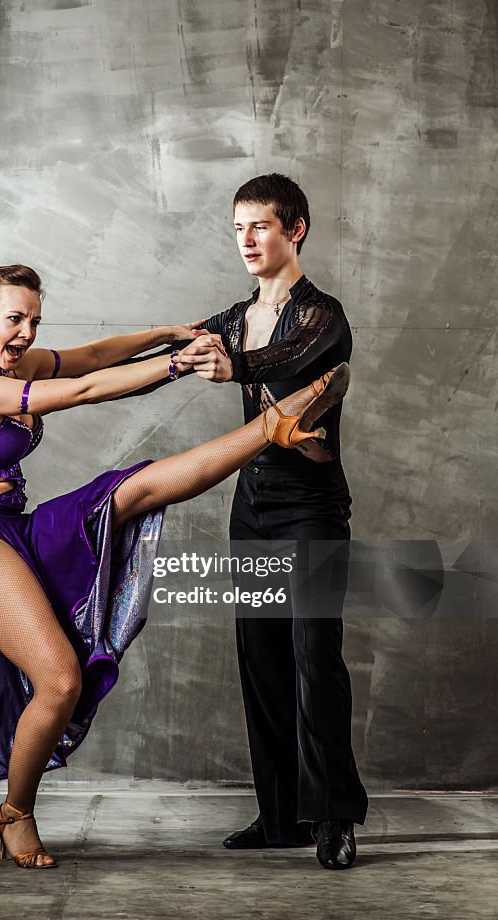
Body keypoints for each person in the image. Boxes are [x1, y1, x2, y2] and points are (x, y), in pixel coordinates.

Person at [0, 263, 350, 871]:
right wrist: (177, 365)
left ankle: (273, 427)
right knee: (61, 681)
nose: (23, 333)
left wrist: (164, 335)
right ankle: (15, 813)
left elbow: (92, 357)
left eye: (33, 321)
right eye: (13, 318)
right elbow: (82, 390)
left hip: (15, 524)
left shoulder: (19, 363)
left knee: (134, 490)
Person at [181, 174, 368, 870]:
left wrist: (234, 366)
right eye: (237, 229)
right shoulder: (231, 318)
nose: (247, 241)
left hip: (312, 508)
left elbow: (290, 360)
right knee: (260, 658)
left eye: (259, 226)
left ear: (296, 230)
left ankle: (335, 815)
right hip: (252, 508)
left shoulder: (324, 316)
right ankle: (281, 815)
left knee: (313, 657)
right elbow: (183, 349)